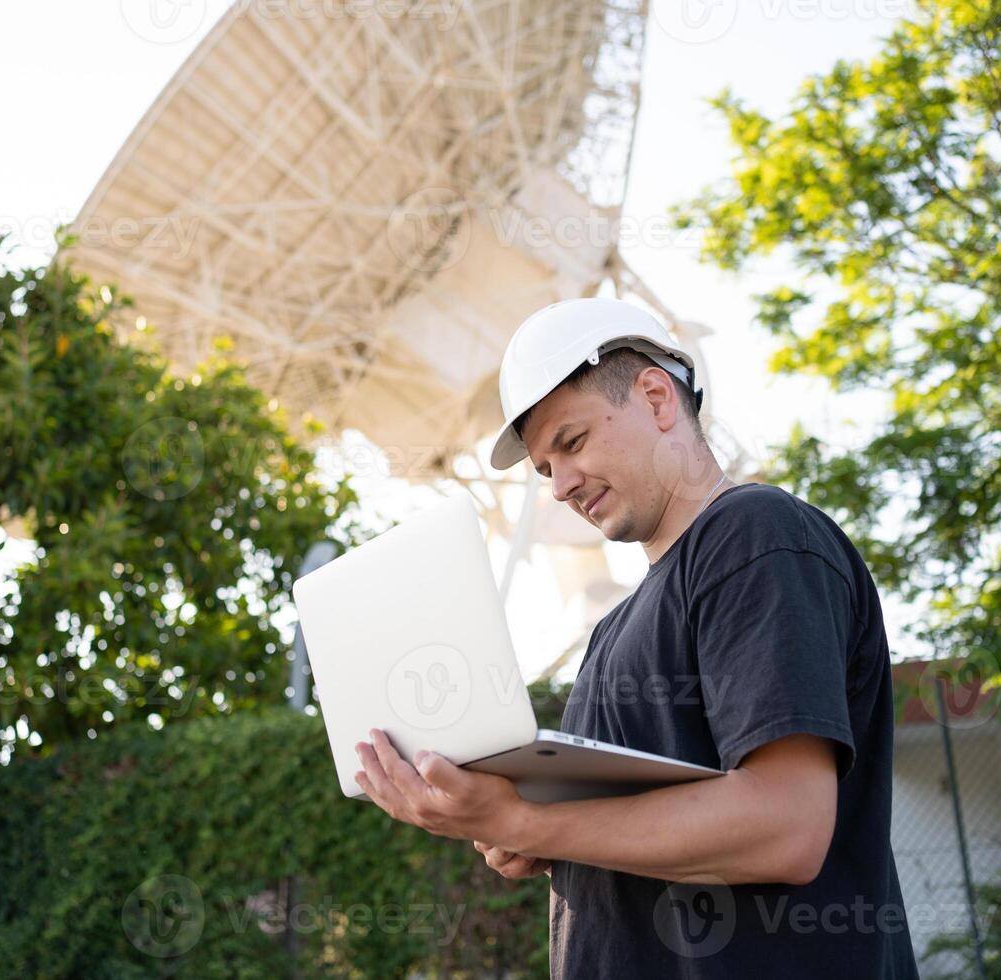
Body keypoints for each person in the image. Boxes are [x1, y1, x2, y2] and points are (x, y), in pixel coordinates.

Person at [352, 297, 919, 977]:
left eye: (572, 442)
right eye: (543, 469)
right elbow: (648, 824)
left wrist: (525, 823)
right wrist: (539, 833)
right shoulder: (613, 632)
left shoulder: (757, 536)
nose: (559, 486)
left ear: (655, 398)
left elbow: (786, 826)